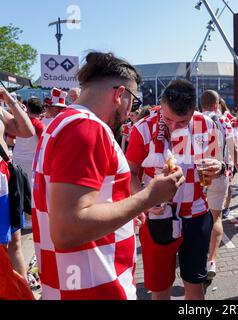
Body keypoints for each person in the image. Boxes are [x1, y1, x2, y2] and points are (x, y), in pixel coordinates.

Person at [31, 52, 184, 300]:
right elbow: (68, 229)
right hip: (96, 289)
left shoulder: (63, 123)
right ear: (119, 94)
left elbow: (75, 206)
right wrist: (148, 197)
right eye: (133, 102)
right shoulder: (86, 128)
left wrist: (123, 216)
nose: (129, 113)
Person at [126, 80, 225, 300]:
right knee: (160, 289)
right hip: (158, 217)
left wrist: (218, 168)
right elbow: (130, 172)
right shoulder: (143, 128)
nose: (173, 127)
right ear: (160, 105)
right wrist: (145, 198)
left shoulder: (206, 124)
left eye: (182, 121)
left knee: (195, 286)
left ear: (194, 110)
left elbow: (214, 164)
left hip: (196, 214)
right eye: (168, 119)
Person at [201, 90, 238, 281]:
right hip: (220, 174)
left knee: (195, 215)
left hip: (198, 174)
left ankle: (196, 254)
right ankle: (211, 260)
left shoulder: (193, 119)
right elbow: (234, 147)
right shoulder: (224, 120)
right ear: (216, 104)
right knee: (215, 217)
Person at [0, 87, 35, 283]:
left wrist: (9, 101)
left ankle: (22, 292)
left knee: (14, 242)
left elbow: (26, 131)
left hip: (4, 181)